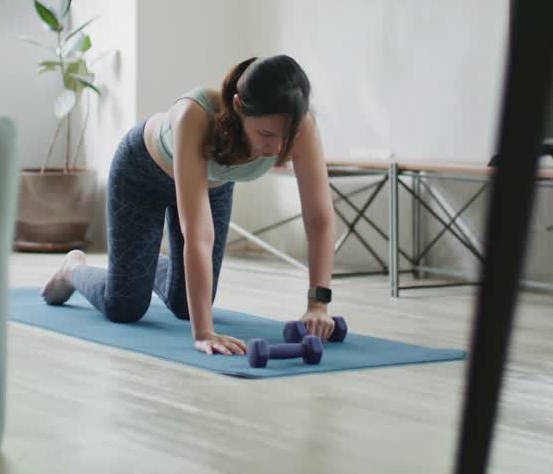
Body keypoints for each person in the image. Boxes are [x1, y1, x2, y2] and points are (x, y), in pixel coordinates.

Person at [41, 55, 337, 356]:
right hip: (141, 176)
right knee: (124, 307)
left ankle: (136, 260)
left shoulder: (302, 128)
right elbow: (198, 235)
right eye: (266, 134)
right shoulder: (194, 116)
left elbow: (319, 219)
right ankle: (72, 268)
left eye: (286, 137)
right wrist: (204, 333)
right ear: (237, 107)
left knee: (188, 305)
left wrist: (318, 304)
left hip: (212, 186)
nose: (276, 149)